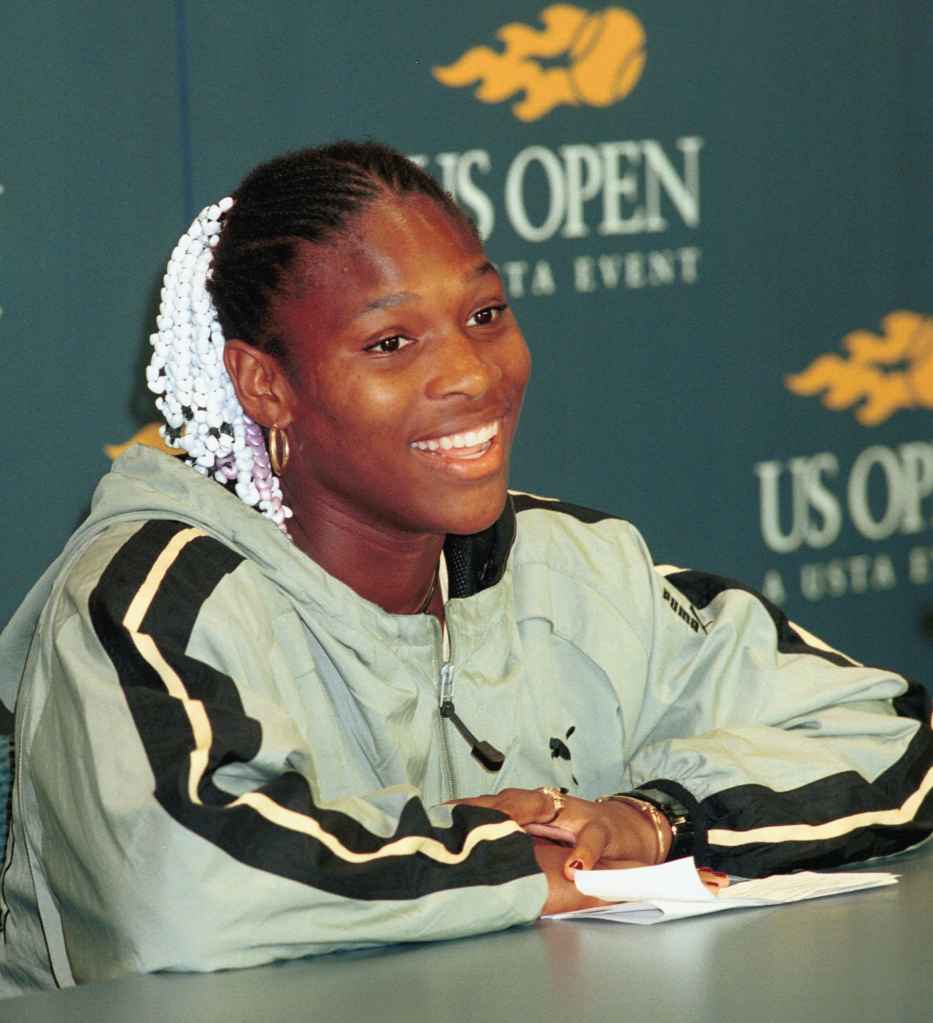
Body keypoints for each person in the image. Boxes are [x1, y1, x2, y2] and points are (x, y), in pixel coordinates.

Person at [0, 141, 930, 995]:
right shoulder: (147, 598)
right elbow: (179, 890)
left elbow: (891, 734)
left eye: (484, 314)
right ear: (265, 384)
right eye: (390, 343)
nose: (474, 376)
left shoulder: (575, 565)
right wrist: (517, 858)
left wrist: (652, 820)